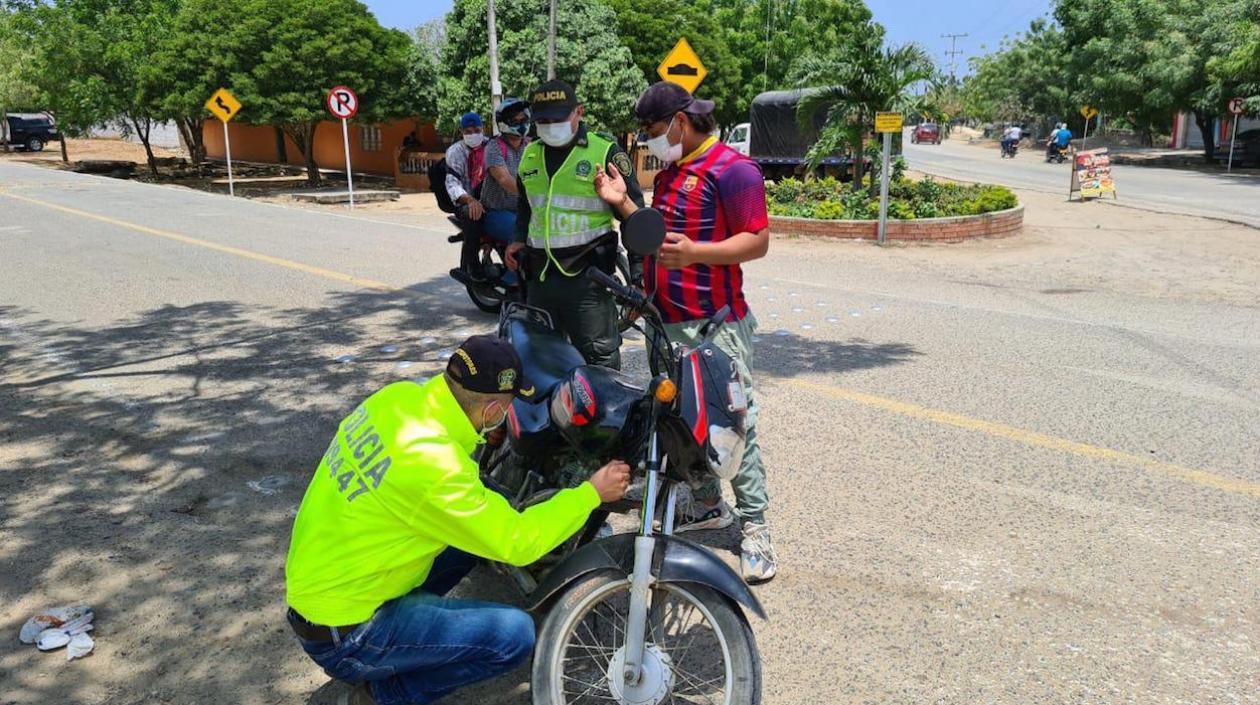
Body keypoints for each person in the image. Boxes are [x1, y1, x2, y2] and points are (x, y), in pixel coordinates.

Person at [285, 335, 632, 705]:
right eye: (508, 406)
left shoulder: (398, 398)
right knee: (515, 636)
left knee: (481, 516)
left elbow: (445, 476)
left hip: (324, 589)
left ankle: (407, 638)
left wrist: (481, 434)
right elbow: (517, 542)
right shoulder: (437, 470)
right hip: (349, 635)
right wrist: (590, 494)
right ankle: (385, 695)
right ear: (492, 409)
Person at [630, 81, 778, 583]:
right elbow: (659, 241)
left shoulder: (734, 170)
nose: (652, 142)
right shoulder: (671, 174)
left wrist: (696, 253)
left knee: (736, 424)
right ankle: (708, 503)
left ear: (681, 121)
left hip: (715, 323)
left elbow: (756, 242)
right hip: (666, 323)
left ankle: (755, 526)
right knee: (676, 420)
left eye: (654, 132)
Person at [504, 79, 645, 370]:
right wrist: (518, 238)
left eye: (558, 118)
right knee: (543, 361)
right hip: (540, 278)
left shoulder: (604, 152)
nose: (550, 125)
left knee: (599, 362)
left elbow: (637, 220)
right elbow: (526, 205)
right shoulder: (530, 154)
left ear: (578, 112)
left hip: (588, 281)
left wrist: (639, 277)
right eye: (542, 120)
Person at [465, 97, 531, 281]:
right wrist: (535, 193)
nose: (520, 124)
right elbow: (505, 180)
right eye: (515, 121)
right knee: (518, 230)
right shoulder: (494, 147)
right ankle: (512, 283)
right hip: (495, 211)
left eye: (523, 120)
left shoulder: (531, 146)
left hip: (524, 208)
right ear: (504, 123)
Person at [445, 112, 488, 270]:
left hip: (491, 197)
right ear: (461, 132)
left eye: (476, 130)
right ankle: (473, 263)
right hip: (465, 199)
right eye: (468, 132)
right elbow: (452, 184)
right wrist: (470, 200)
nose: (473, 134)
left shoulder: (492, 146)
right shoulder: (455, 152)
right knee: (473, 216)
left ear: (482, 129)